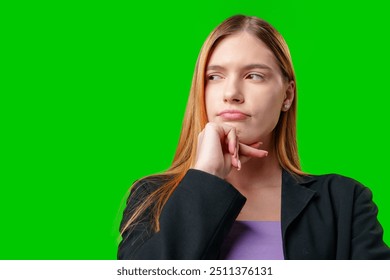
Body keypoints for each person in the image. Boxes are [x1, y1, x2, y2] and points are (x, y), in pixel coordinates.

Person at [117, 14, 390, 260]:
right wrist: (205, 176)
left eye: (254, 75)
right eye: (215, 76)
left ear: (287, 95)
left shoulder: (344, 201)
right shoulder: (151, 197)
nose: (231, 92)